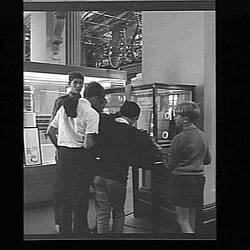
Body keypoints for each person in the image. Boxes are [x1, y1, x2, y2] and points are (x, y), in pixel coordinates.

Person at [92, 101, 163, 233]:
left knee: (102, 213)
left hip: (98, 175)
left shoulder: (106, 125)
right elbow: (149, 153)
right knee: (118, 212)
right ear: (136, 118)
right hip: (116, 177)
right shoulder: (133, 132)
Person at [47, 81, 107, 236]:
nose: (101, 103)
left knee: (64, 195)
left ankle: (65, 231)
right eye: (101, 99)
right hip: (80, 157)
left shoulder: (65, 106)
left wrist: (60, 148)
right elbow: (88, 144)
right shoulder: (92, 113)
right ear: (94, 98)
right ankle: (81, 232)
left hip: (64, 156)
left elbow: (51, 132)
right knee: (80, 196)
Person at [46, 71, 85, 234]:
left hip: (78, 151)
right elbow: (52, 128)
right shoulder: (61, 102)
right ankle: (60, 222)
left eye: (80, 83)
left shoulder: (84, 103)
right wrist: (60, 146)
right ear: (69, 84)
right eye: (75, 82)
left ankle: (77, 225)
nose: (78, 85)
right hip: (66, 151)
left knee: (77, 189)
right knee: (63, 188)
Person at [168, 101, 211, 233]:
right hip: (198, 180)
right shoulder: (202, 135)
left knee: (182, 220)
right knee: (191, 217)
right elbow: (207, 160)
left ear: (185, 118)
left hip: (182, 181)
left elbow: (171, 164)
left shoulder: (179, 138)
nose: (175, 118)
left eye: (177, 115)